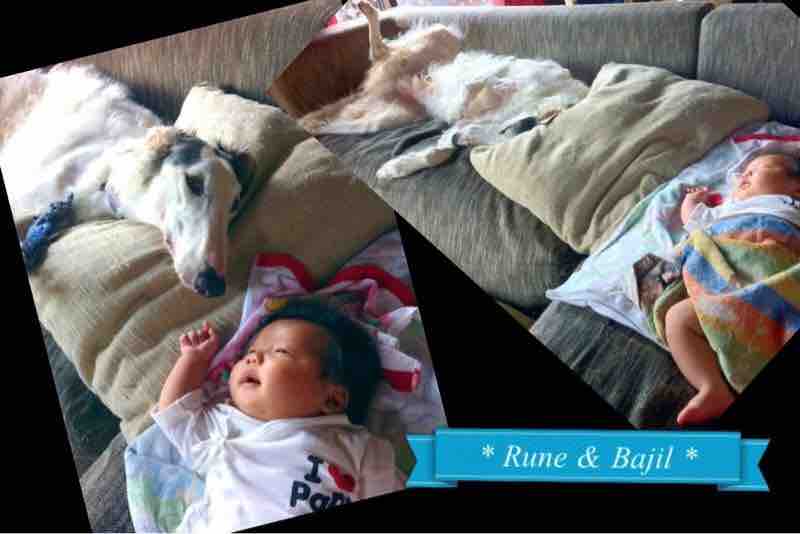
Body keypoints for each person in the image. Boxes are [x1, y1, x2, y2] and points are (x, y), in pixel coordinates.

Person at [154, 299, 405, 532]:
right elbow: (176, 414)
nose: (253, 357)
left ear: (332, 399)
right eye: (248, 353)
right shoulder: (228, 425)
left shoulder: (360, 447)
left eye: (281, 351)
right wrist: (193, 360)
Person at [665, 151, 800, 425]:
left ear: (795, 187)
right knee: (677, 319)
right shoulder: (725, 210)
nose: (744, 175)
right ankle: (712, 388)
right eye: (744, 172)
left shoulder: (791, 206)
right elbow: (693, 221)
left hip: (775, 288)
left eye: (759, 168)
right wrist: (693, 200)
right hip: (722, 294)